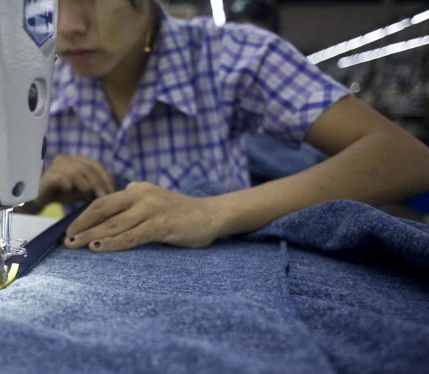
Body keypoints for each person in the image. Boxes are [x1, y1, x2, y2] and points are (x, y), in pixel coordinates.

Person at [22, 0, 429, 252]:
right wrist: (36, 194)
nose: (67, 26)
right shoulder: (45, 82)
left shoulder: (235, 58)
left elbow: (406, 159)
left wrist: (211, 212)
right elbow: (7, 203)